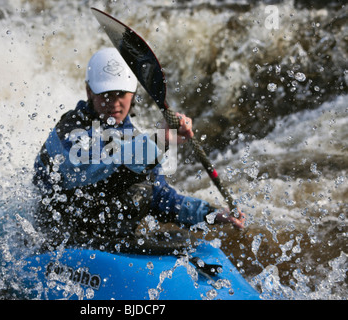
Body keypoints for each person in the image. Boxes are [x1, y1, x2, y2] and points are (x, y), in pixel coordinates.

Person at [33, 48, 245, 253]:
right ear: (89, 91)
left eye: (121, 94)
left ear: (132, 93)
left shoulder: (135, 138)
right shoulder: (69, 131)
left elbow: (160, 199)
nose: (114, 103)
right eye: (106, 94)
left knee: (184, 242)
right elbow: (91, 171)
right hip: (61, 243)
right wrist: (159, 141)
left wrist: (211, 214)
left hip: (110, 243)